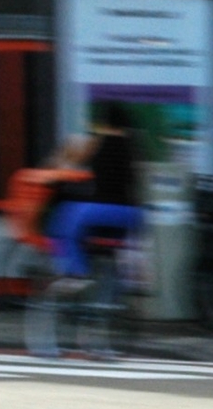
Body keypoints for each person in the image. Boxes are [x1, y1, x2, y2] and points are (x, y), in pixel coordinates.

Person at [46, 102, 145, 289]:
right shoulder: (134, 146)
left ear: (104, 123)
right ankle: (110, 294)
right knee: (103, 245)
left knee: (61, 223)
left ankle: (76, 273)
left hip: (102, 209)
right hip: (132, 215)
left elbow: (68, 165)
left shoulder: (98, 144)